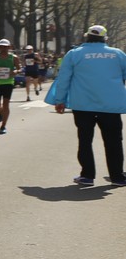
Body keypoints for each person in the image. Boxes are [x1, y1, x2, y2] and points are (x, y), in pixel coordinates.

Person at [44, 25, 126, 186]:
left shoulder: (74, 54)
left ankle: (87, 176)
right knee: (114, 141)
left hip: (83, 105)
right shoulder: (117, 54)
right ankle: (117, 177)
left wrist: (59, 100)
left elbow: (64, 78)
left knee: (85, 140)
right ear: (105, 38)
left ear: (87, 37)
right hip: (110, 105)